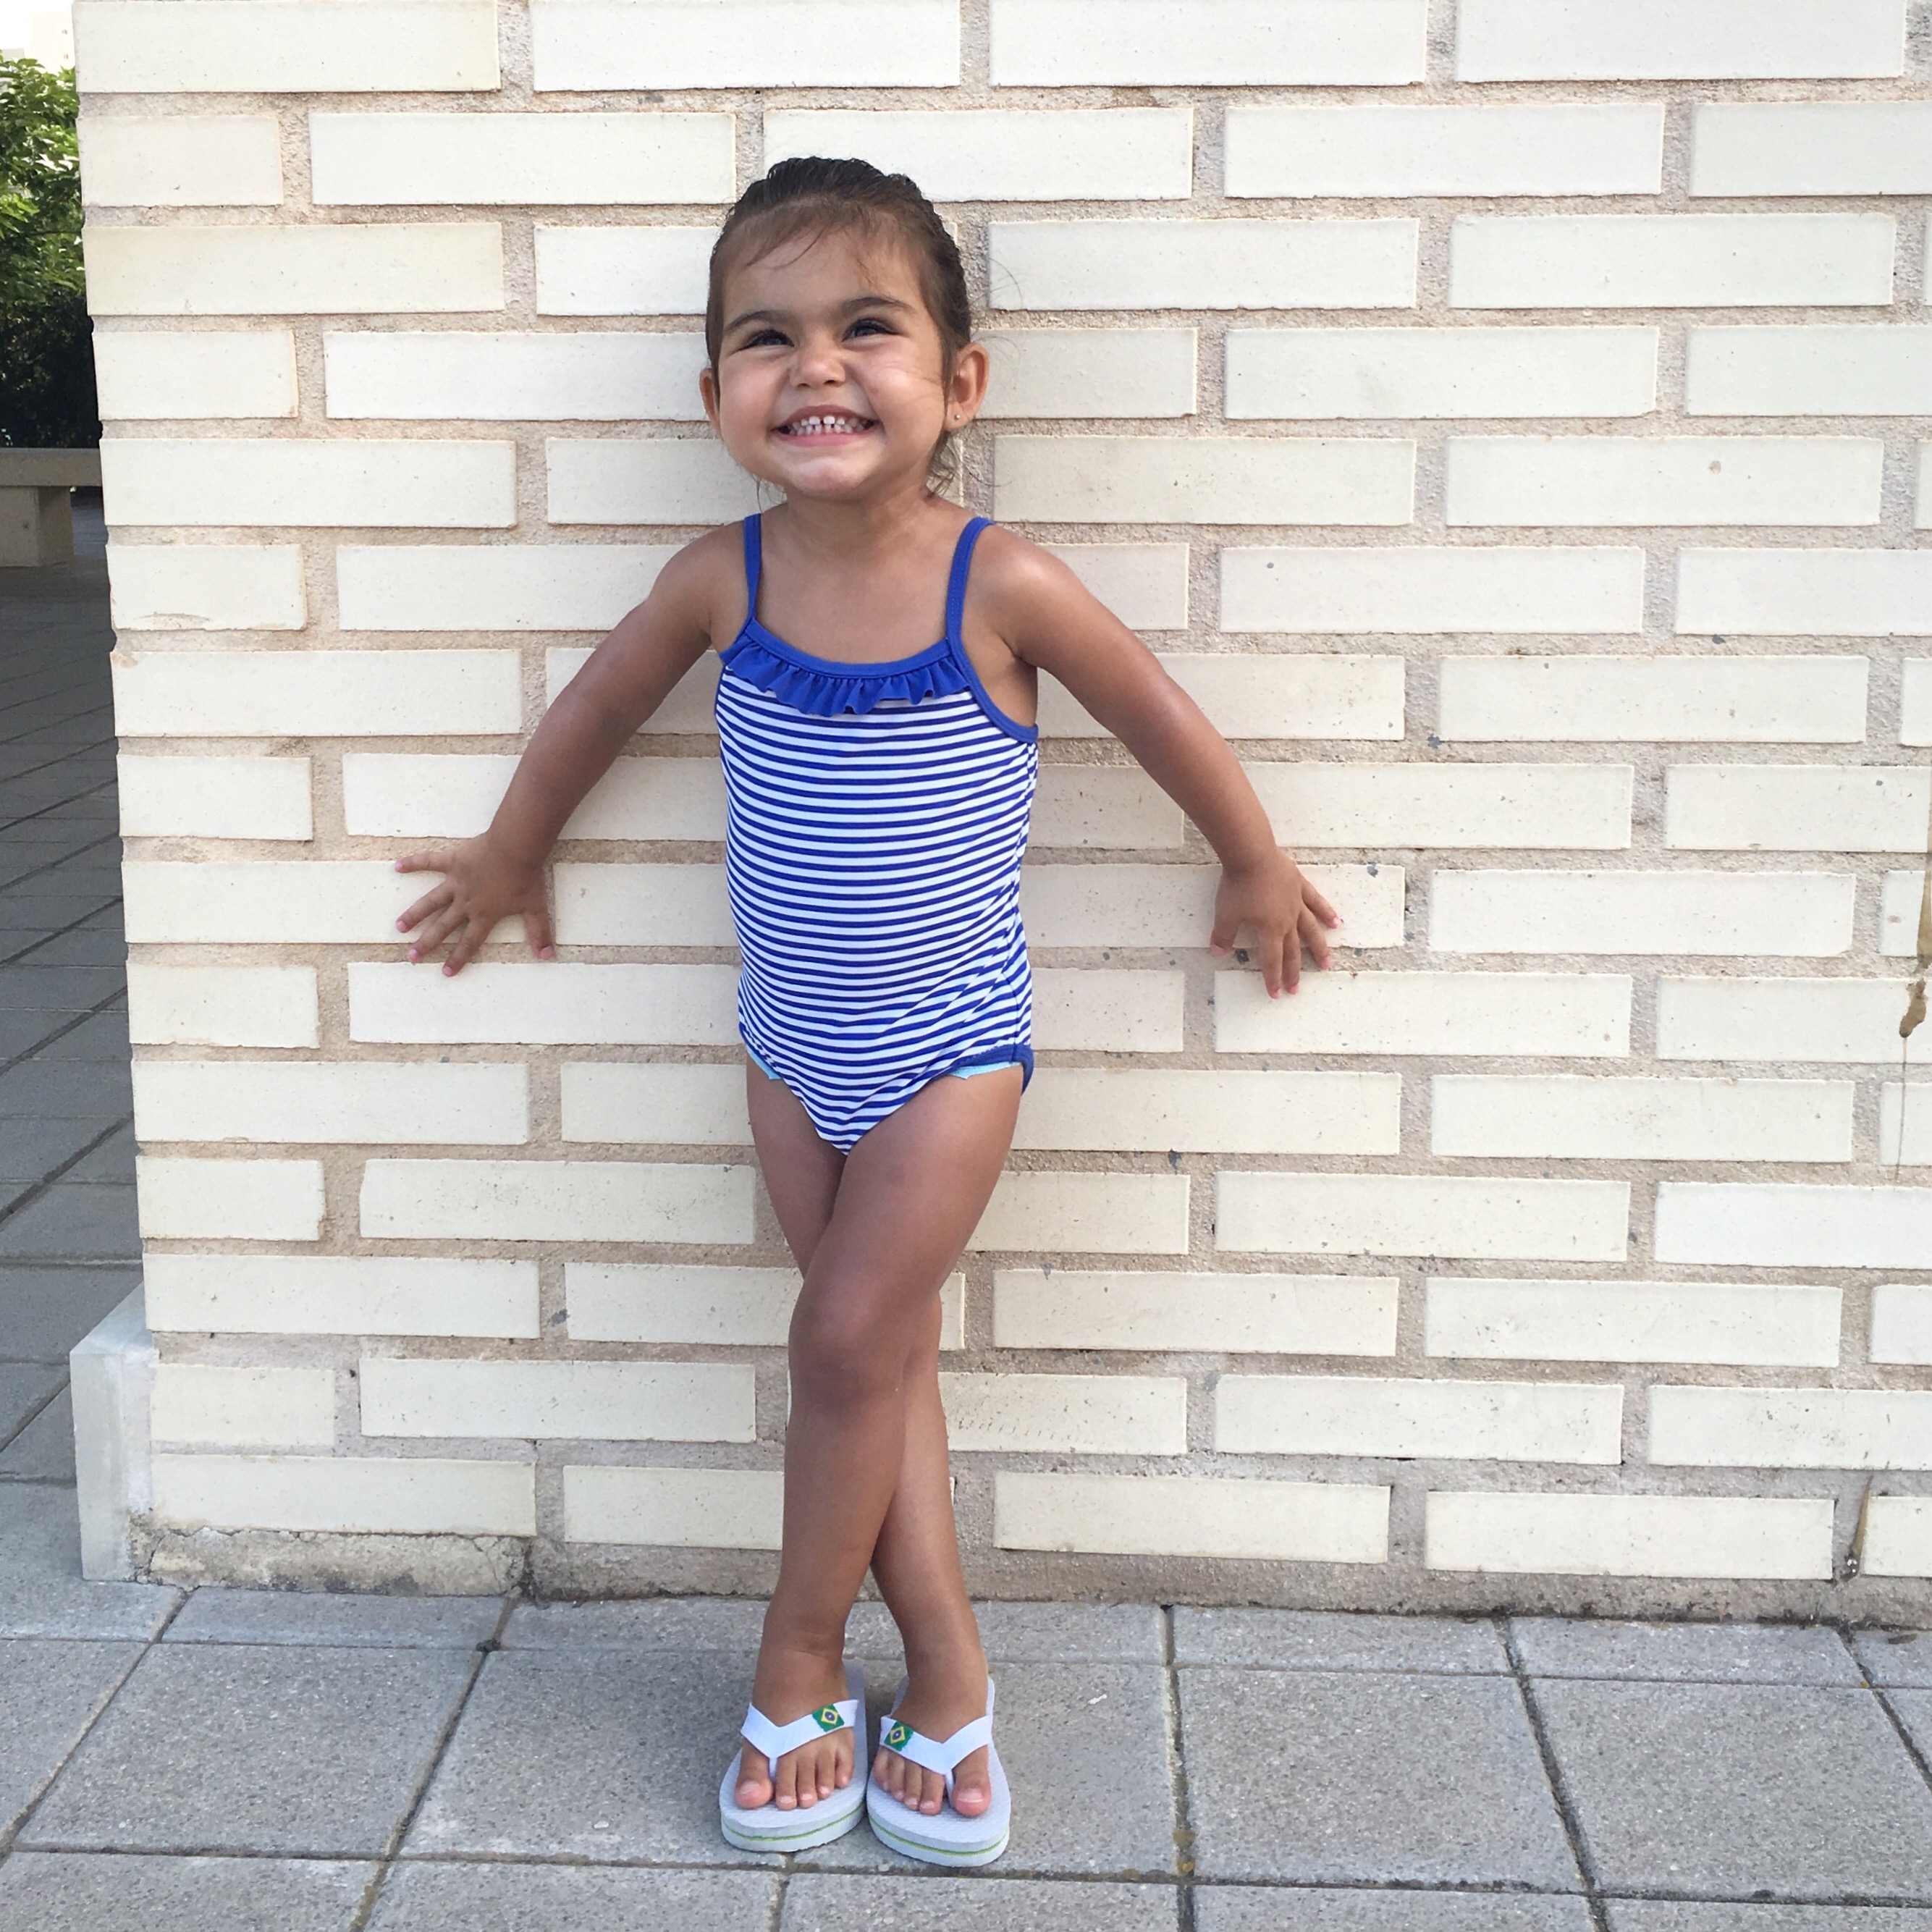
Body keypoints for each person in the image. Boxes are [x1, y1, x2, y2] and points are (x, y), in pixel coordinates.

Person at [393, 154, 1338, 1868]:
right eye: (767, 337)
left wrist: (1253, 860)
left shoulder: (1003, 584)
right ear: (716, 395)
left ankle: (799, 1660)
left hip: (949, 1052)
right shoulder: (724, 580)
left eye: (866, 329)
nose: (815, 365)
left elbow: (1161, 716)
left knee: (839, 1345)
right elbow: (595, 710)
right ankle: (952, 1675)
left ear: (958, 382)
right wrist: (513, 849)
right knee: (874, 1357)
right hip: (789, 1046)